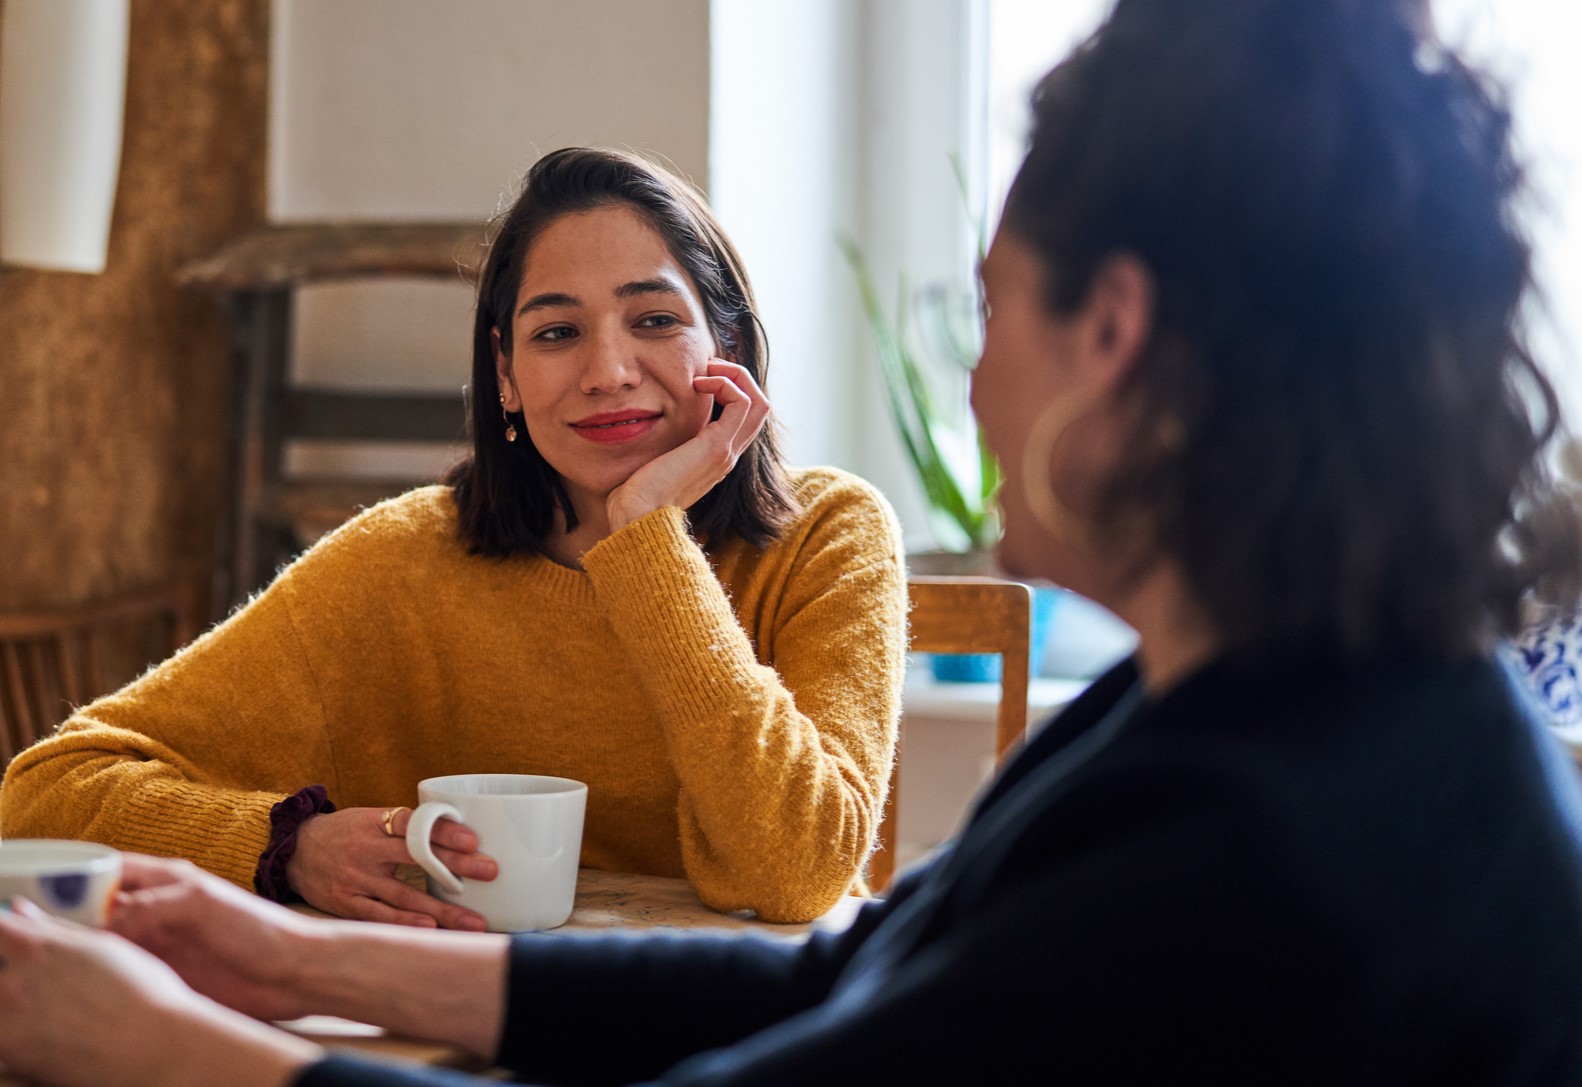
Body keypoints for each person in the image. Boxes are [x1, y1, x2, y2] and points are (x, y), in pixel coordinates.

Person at [6, 0, 1582, 1082]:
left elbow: (797, 916)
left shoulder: (1259, 846)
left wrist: (179, 1044)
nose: (967, 380)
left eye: (985, 310)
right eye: (552, 331)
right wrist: (287, 951)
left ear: (1113, 334)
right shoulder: (1278, 706)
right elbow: (840, 974)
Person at [0, 147, 907, 929]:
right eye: (557, 332)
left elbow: (795, 872)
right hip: (459, 1028)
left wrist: (647, 540)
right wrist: (287, 845)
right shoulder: (398, 563)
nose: (607, 371)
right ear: (506, 377)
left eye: (655, 320)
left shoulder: (831, 534)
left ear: (730, 344)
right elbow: (45, 792)